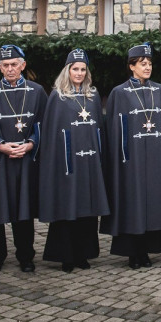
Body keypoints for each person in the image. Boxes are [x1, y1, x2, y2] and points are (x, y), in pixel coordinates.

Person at [0, 44, 48, 273]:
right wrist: (0, 145)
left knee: (23, 209)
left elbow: (44, 123)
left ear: (23, 65)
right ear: (0, 67)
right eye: (5, 65)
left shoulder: (37, 91)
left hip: (26, 159)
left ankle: (25, 256)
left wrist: (32, 143)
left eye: (14, 64)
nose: (10, 69)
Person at [101, 43, 161, 269]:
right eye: (142, 64)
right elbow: (114, 129)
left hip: (155, 157)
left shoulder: (159, 90)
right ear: (132, 66)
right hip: (130, 158)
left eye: (150, 63)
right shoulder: (119, 92)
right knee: (132, 202)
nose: (147, 67)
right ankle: (133, 252)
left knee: (151, 201)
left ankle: (147, 249)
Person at [38, 48, 109, 272]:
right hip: (66, 163)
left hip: (89, 162)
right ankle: (66, 256)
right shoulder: (58, 97)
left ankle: (83, 254)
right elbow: (51, 133)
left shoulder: (93, 96)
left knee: (87, 208)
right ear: (67, 70)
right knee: (67, 206)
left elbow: (99, 129)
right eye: (75, 69)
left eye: (83, 69)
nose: (79, 73)